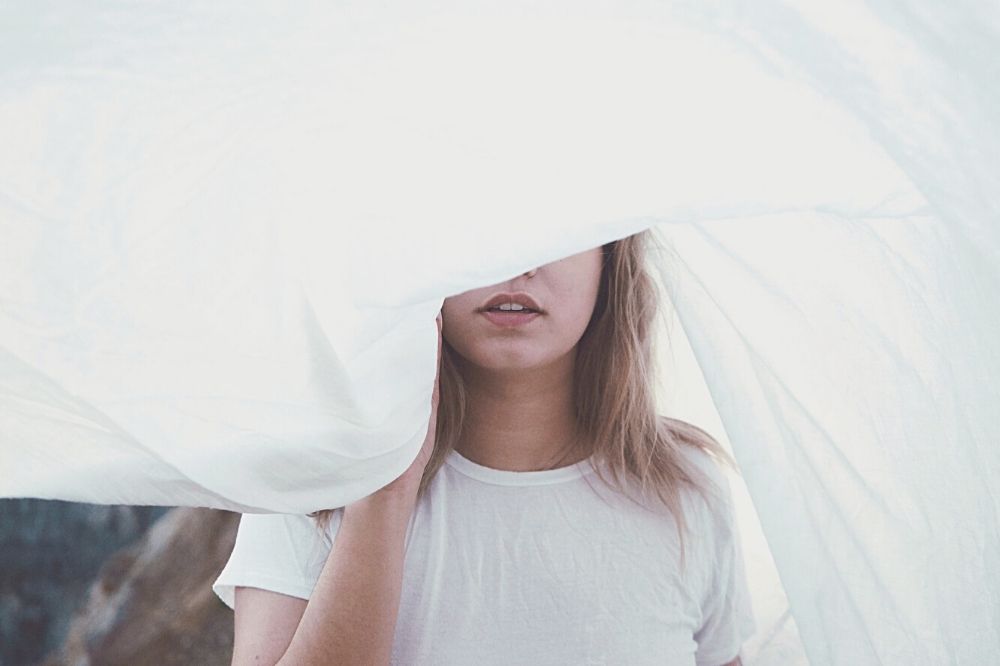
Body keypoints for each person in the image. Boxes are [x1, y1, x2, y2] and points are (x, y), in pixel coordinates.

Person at [213, 230, 756, 665]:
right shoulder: (313, 483)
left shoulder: (686, 489)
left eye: (557, 225)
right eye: (481, 221)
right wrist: (382, 495)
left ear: (610, 256)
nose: (516, 260)